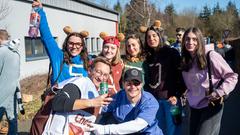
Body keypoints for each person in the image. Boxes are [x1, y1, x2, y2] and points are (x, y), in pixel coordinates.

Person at [181, 27, 238, 135]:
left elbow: (232, 77)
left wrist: (219, 92)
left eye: (194, 39)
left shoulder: (211, 56)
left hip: (211, 104)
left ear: (200, 41)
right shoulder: (185, 60)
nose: (190, 42)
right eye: (187, 39)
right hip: (194, 106)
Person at [42, 56, 113, 135]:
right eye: (98, 72)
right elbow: (58, 103)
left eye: (105, 75)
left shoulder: (96, 93)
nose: (101, 77)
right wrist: (92, 102)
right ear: (89, 70)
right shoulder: (81, 82)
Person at [141, 20, 186, 135]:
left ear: (160, 36)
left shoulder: (171, 52)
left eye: (154, 36)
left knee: (174, 130)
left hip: (171, 101)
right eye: (148, 37)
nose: (151, 39)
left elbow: (182, 76)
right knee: (158, 130)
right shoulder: (147, 57)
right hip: (155, 102)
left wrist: (177, 94)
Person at [89, 68, 163, 135]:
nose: (132, 87)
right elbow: (101, 111)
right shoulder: (117, 98)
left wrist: (105, 129)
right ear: (123, 84)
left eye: (136, 83)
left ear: (142, 85)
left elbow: (138, 125)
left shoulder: (150, 101)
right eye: (129, 83)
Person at [33, 1, 89, 86]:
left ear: (82, 47)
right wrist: (40, 10)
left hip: (82, 99)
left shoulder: (88, 61)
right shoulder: (58, 56)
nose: (74, 47)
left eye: (78, 44)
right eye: (71, 43)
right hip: (60, 98)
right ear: (66, 44)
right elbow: (47, 36)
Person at [0, 29, 20, 135]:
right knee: (12, 120)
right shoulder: (15, 52)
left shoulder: (1, 51)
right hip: (13, 92)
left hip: (1, 92)